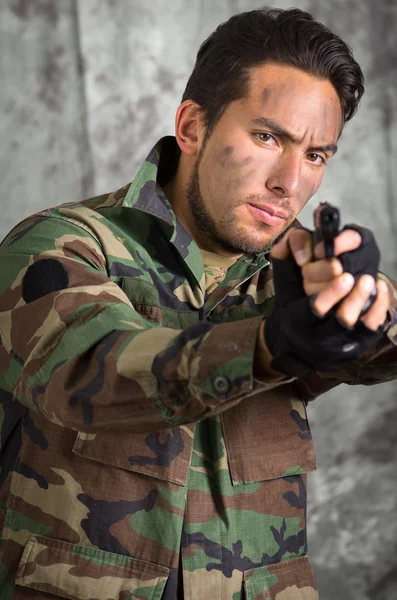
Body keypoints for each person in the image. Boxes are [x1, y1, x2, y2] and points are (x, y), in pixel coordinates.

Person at [0, 7, 396, 599]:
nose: (291, 181)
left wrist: (369, 309)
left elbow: (376, 345)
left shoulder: (288, 278)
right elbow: (91, 370)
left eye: (316, 155)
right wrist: (272, 344)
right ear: (190, 127)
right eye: (268, 137)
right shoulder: (61, 246)